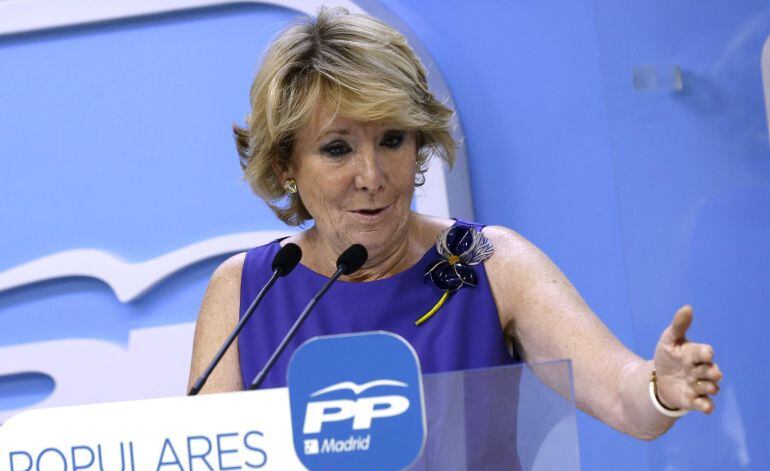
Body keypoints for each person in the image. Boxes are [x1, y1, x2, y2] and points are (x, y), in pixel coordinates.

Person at [187, 7, 722, 442]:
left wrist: (662, 387)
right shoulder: (246, 290)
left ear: (419, 143)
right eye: (337, 149)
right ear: (284, 165)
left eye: (393, 140)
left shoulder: (489, 262)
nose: (371, 176)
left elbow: (623, 395)